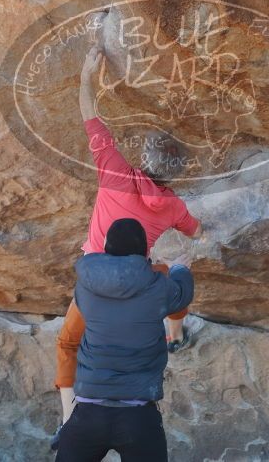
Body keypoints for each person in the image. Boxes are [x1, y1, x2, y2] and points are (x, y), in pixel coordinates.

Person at [52, 41, 202, 446]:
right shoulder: (172, 205)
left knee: (69, 342)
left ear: (143, 157)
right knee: (173, 274)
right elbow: (195, 232)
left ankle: (68, 419)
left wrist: (87, 74)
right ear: (174, 174)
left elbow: (90, 116)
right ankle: (176, 333)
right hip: (141, 283)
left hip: (94, 281)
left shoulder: (114, 171)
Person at [55, 218, 194, 462]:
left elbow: (68, 342)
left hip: (87, 414)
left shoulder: (85, 288)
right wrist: (180, 269)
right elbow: (181, 295)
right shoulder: (158, 287)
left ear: (105, 246)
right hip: (138, 416)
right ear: (146, 252)